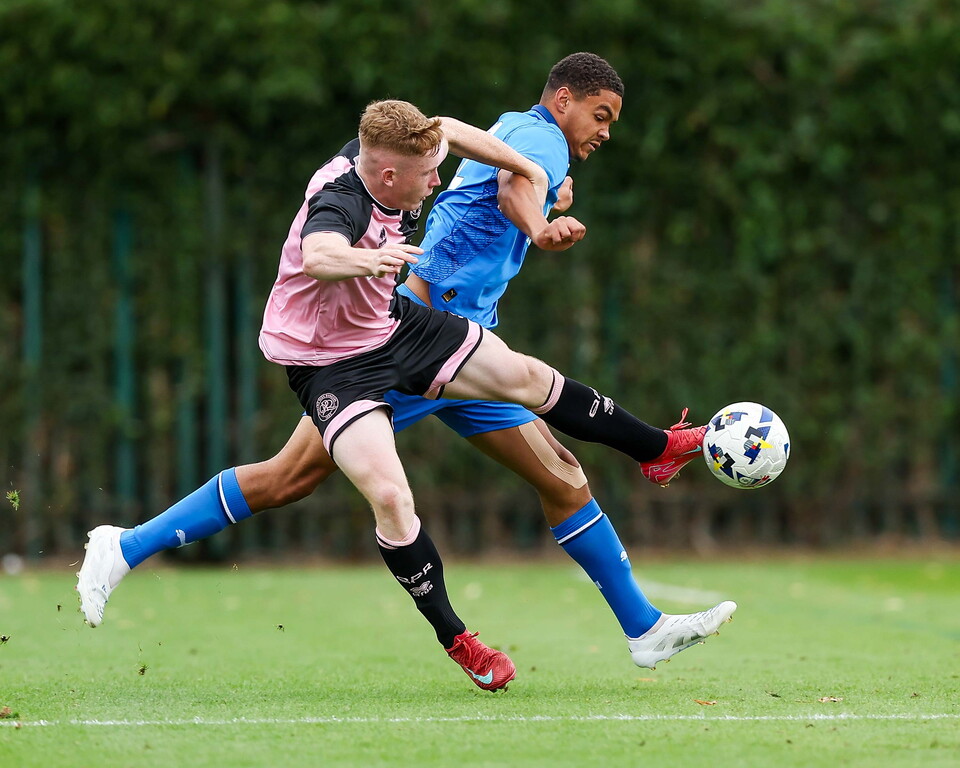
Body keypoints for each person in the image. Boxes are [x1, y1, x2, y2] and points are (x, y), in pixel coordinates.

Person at [78, 55, 735, 692]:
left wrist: (530, 172)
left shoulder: (476, 139)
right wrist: (532, 219)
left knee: (559, 468)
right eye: (602, 114)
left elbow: (454, 135)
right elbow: (325, 248)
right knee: (290, 477)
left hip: (423, 327)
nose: (437, 183)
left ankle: (645, 607)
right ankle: (126, 547)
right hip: (366, 346)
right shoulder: (348, 198)